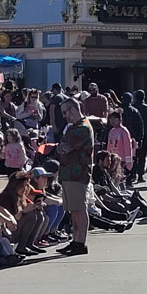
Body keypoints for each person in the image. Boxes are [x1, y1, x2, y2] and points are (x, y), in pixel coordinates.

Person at [55, 98, 94, 256]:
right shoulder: (74, 127)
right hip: (69, 173)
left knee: (79, 209)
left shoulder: (82, 128)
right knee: (74, 211)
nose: (64, 116)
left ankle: (80, 243)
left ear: (73, 109)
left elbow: (64, 148)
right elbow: (62, 147)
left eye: (65, 112)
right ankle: (76, 240)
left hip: (77, 173)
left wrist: (61, 147)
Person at [132, 89, 147, 181]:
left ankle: (133, 174)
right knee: (143, 154)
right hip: (146, 134)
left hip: (134, 134)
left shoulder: (133, 107)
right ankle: (140, 175)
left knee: (134, 155)